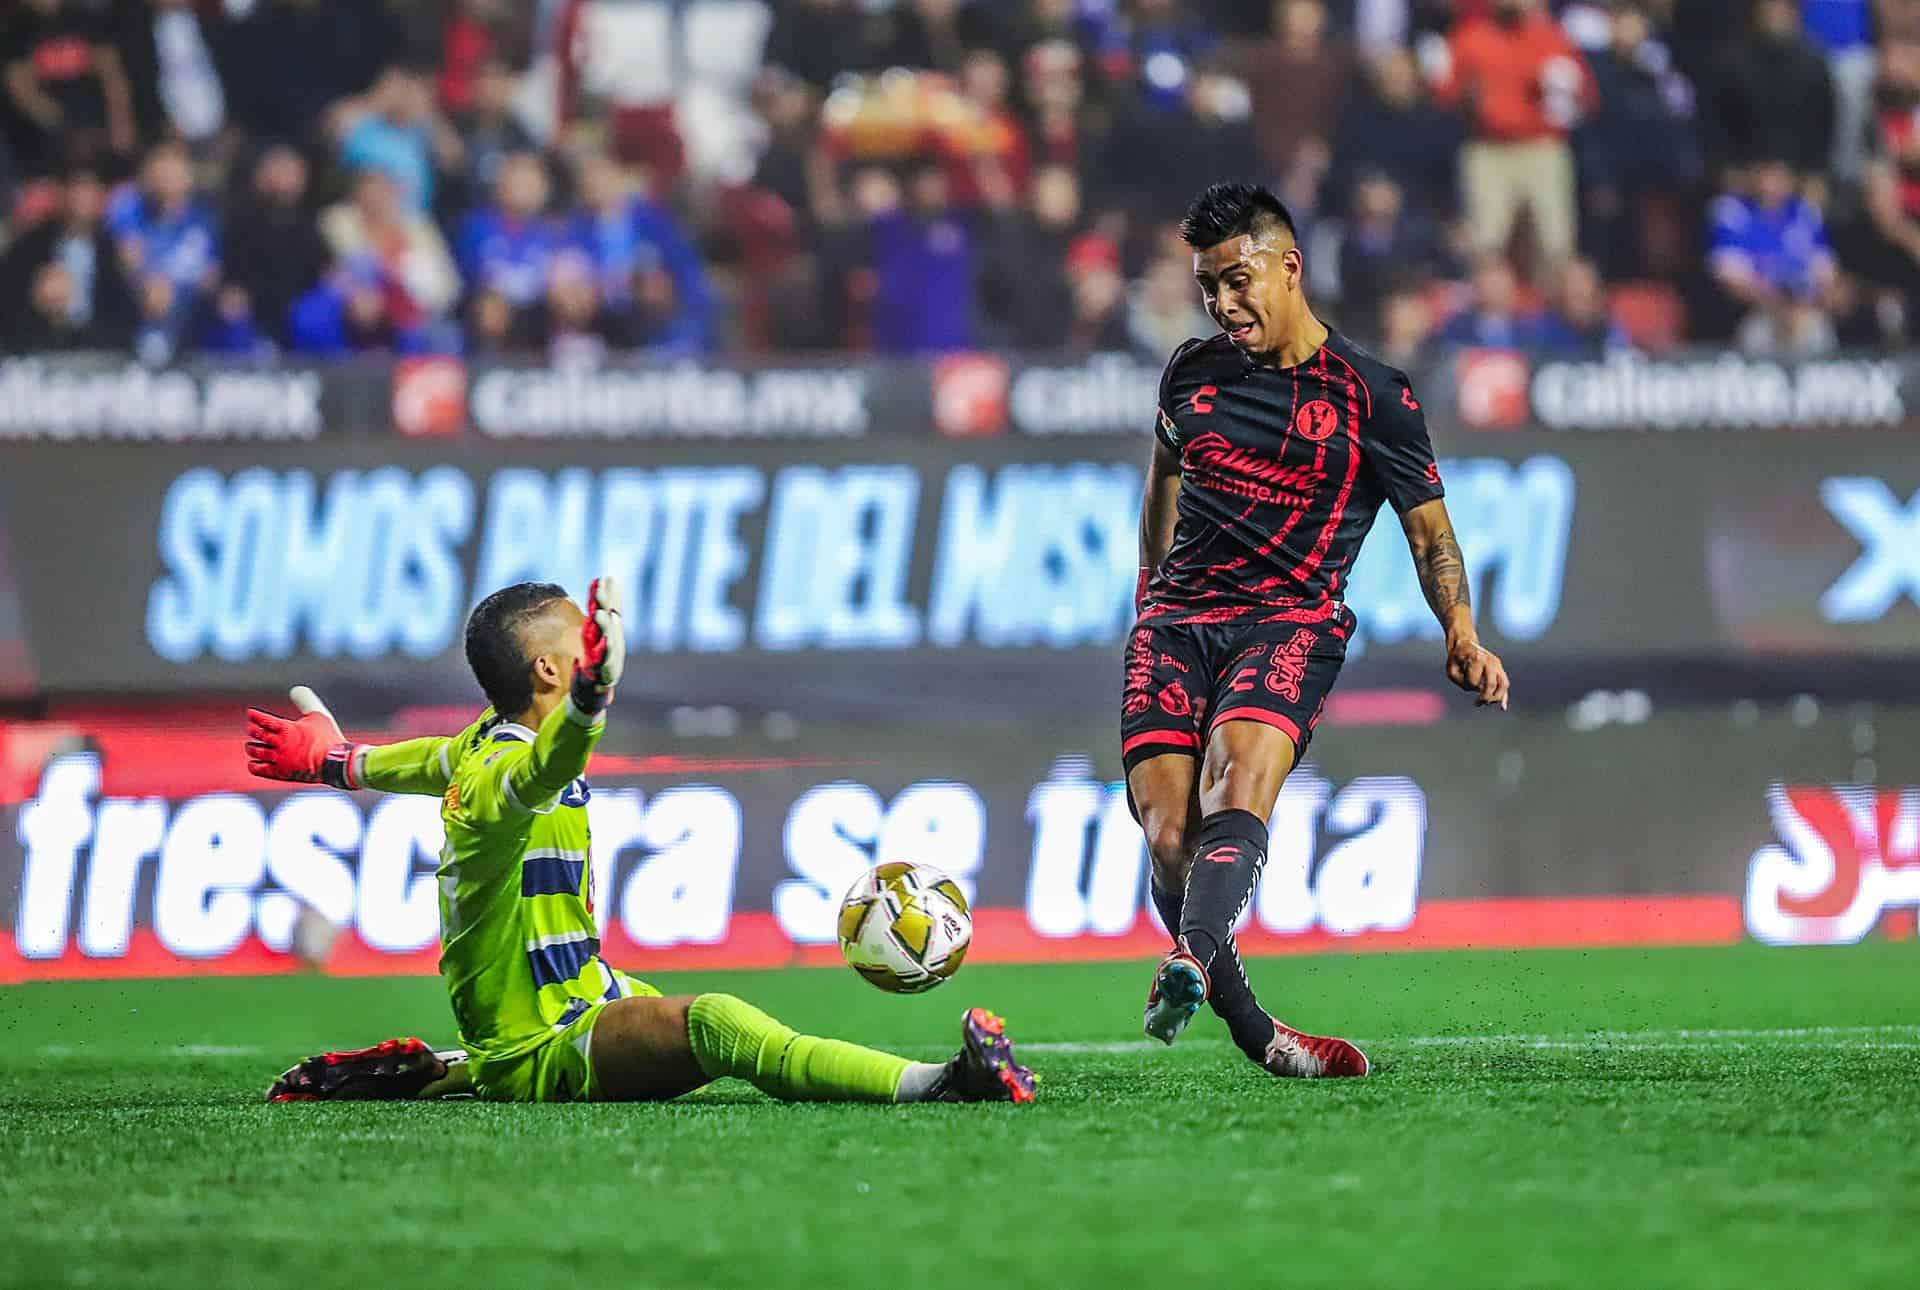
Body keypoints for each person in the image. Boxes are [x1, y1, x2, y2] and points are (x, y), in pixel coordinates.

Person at [247, 580, 1036, 1106]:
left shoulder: (483, 740)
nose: (596, 640)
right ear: (550, 669)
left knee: (692, 1023)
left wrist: (336, 762)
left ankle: (443, 1073)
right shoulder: (506, 778)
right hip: (542, 1044)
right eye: (579, 640)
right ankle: (940, 1085)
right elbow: (551, 762)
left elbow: (425, 757)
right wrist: (592, 703)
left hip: (589, 993)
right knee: (717, 1023)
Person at [1128, 182, 1510, 1079]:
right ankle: (1262, 1036)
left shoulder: (1372, 394)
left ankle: (1189, 961)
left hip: (1289, 622)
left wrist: (1461, 629)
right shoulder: (1190, 371)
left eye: (1237, 279)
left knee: (1235, 779)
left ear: (1289, 266)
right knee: (1169, 838)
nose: (1224, 304)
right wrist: (1149, 593)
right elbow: (1163, 479)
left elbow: (1431, 533)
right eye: (1208, 288)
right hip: (1177, 624)